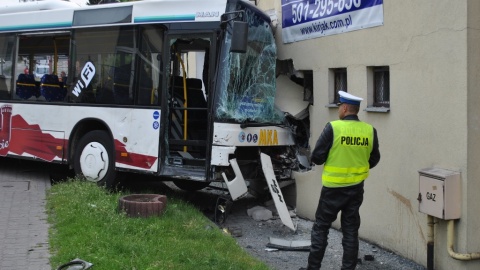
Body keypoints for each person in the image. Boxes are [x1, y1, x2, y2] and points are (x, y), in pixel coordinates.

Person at [304, 90, 381, 270]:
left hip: (332, 189)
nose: (339, 109)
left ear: (345, 108)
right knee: (350, 231)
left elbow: (317, 157)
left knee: (321, 228)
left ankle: (313, 268)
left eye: (340, 106)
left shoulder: (333, 127)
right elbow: (374, 159)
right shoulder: (370, 130)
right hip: (356, 189)